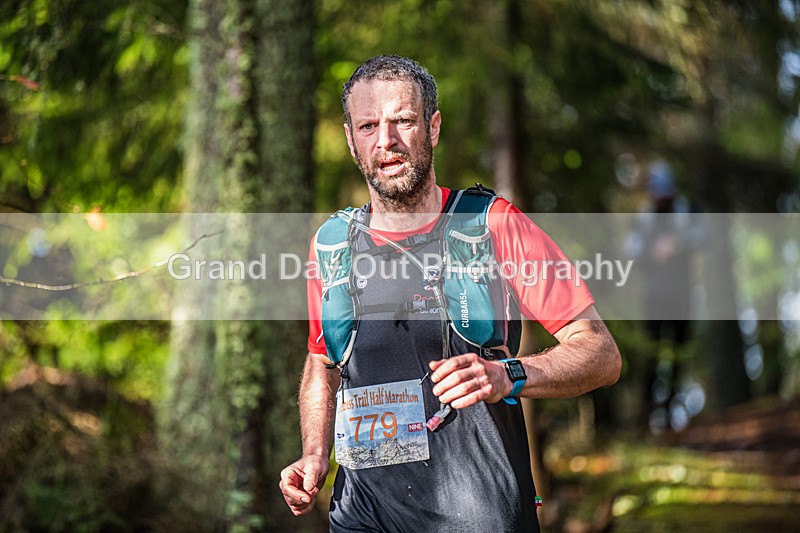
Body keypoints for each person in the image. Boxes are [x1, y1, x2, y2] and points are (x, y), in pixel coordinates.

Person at [279, 55, 621, 532]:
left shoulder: (491, 224)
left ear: (433, 128)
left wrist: (508, 375)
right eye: (368, 125)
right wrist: (314, 454)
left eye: (403, 121)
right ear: (350, 139)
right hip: (362, 515)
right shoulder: (331, 245)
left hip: (480, 513)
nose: (386, 141)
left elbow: (601, 353)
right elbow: (322, 363)